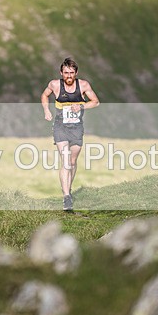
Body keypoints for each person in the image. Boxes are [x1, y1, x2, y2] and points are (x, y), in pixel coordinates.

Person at [40, 57, 100, 211]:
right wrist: (46, 110)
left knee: (72, 162)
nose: (68, 76)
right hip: (60, 127)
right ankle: (66, 197)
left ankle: (69, 188)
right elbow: (44, 95)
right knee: (66, 161)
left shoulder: (83, 85)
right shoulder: (55, 85)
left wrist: (81, 106)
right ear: (61, 73)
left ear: (76, 73)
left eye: (71, 73)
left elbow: (96, 101)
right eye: (66, 73)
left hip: (77, 127)